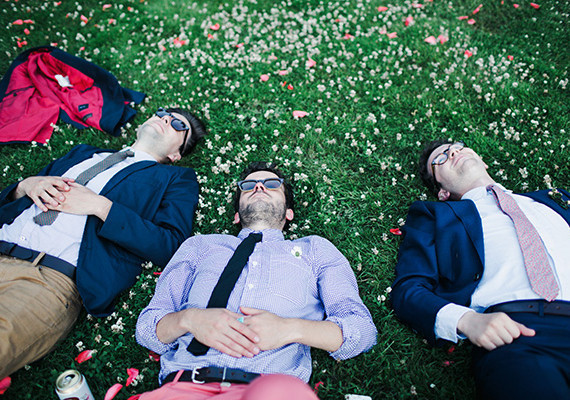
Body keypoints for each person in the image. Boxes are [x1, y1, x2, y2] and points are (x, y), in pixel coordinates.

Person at [136, 162, 377, 400]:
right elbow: (147, 329)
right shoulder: (200, 246)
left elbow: (362, 330)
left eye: (271, 184)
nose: (259, 187)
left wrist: (289, 329)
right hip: (184, 388)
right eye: (248, 185)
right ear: (236, 215)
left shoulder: (314, 250)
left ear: (289, 213)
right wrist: (190, 319)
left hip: (271, 390)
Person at [0, 107, 207, 379]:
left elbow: (171, 245)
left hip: (47, 279)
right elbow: (12, 200)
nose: (165, 119)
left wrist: (101, 207)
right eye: (161, 113)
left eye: (178, 125)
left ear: (176, 155)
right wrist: (25, 185)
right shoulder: (83, 153)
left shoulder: (175, 179)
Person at [392, 139, 570, 400]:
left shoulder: (555, 199)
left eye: (458, 146)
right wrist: (466, 320)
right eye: (440, 159)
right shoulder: (435, 216)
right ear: (442, 192)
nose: (454, 152)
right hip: (517, 335)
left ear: (483, 161)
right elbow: (408, 289)